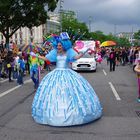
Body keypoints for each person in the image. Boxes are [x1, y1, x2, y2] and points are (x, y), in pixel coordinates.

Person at [31, 32, 102, 126]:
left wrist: (84, 51)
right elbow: (46, 59)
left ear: (64, 45)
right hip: (56, 74)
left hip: (67, 73)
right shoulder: (55, 53)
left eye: (60, 45)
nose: (59, 47)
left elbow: (77, 57)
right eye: (58, 45)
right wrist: (35, 55)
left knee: (70, 93)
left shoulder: (69, 52)